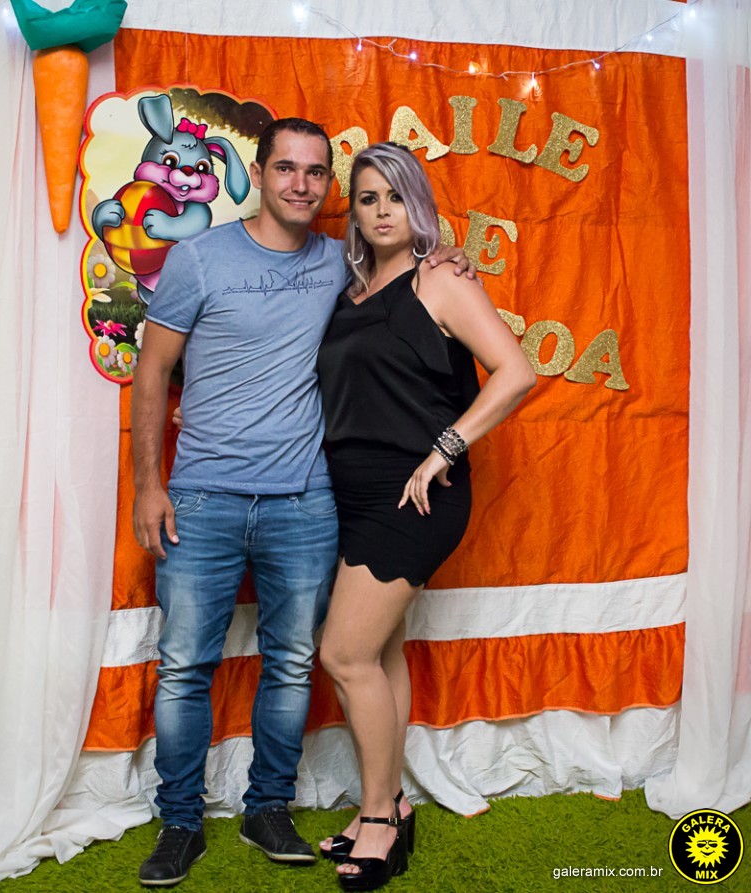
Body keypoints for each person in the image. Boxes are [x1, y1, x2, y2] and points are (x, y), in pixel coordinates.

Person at [130, 119, 475, 887]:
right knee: (184, 665)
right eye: (285, 167)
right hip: (203, 496)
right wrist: (149, 484)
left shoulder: (341, 265)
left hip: (306, 500)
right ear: (256, 173)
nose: (300, 183)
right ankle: (180, 821)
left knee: (292, 663)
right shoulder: (199, 257)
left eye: (316, 172)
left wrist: (447, 255)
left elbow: (413, 282)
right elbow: (151, 372)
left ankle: (269, 807)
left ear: (328, 186)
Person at [315, 142, 536, 891]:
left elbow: (517, 371)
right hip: (352, 492)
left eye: (395, 196)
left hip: (414, 493)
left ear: (419, 204)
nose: (382, 211)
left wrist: (447, 447)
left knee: (343, 655)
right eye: (367, 198)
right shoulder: (352, 290)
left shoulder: (440, 277)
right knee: (379, 654)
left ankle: (379, 817)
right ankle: (390, 804)